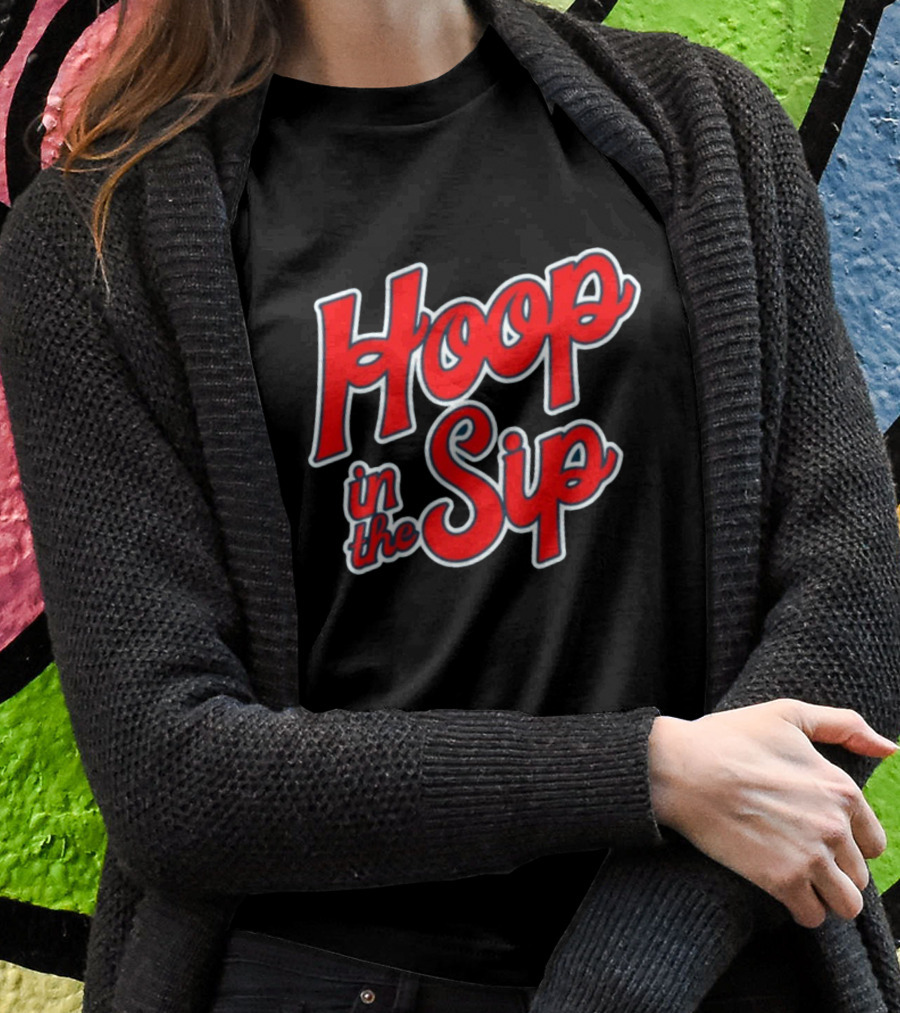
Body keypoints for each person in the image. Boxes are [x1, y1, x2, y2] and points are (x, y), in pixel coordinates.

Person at [0, 0, 899, 1010]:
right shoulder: (100, 239)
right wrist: (647, 772)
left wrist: (627, 971)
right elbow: (173, 773)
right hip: (337, 980)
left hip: (707, 967)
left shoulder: (703, 128)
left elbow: (852, 601)